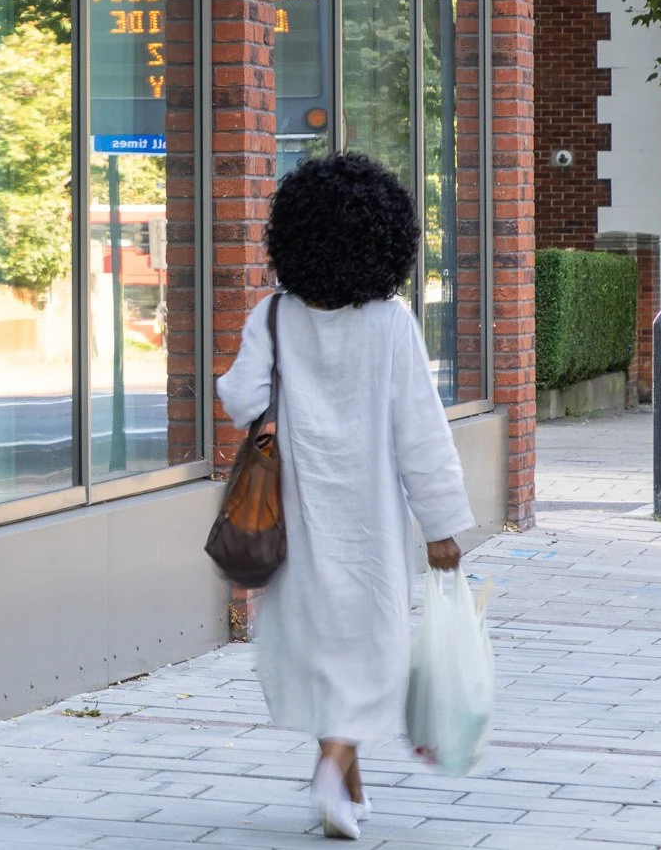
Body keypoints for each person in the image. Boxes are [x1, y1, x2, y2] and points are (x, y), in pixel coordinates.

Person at [218, 152, 473, 842]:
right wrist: (442, 527)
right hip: (368, 520)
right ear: (383, 242)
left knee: (323, 652)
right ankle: (332, 771)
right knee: (373, 652)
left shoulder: (273, 315)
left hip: (291, 515)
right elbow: (420, 433)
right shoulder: (389, 323)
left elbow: (240, 397)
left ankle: (347, 793)